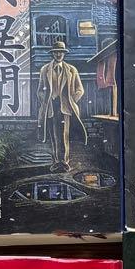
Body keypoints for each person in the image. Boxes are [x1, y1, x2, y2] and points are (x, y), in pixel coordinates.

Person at [37, 40, 87, 173]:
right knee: (53, 136)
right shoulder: (45, 70)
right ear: (52, 54)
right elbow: (40, 91)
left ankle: (65, 162)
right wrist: (45, 101)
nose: (58, 54)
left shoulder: (71, 70)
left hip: (66, 107)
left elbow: (80, 90)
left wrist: (71, 101)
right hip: (51, 107)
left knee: (65, 135)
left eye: (61, 52)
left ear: (64, 54)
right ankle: (55, 162)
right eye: (56, 52)